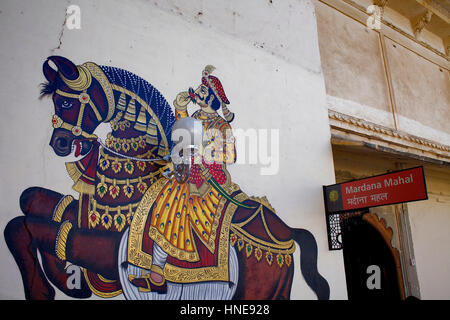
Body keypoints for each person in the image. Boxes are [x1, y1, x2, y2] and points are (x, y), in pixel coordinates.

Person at [129, 65, 237, 293]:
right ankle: (155, 270)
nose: (197, 92)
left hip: (209, 182)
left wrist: (205, 153)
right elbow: (181, 133)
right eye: (198, 88)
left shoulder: (222, 126)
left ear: (211, 98)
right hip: (187, 174)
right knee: (163, 196)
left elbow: (229, 156)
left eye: (202, 89)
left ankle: (158, 275)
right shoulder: (195, 116)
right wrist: (180, 107)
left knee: (174, 204)